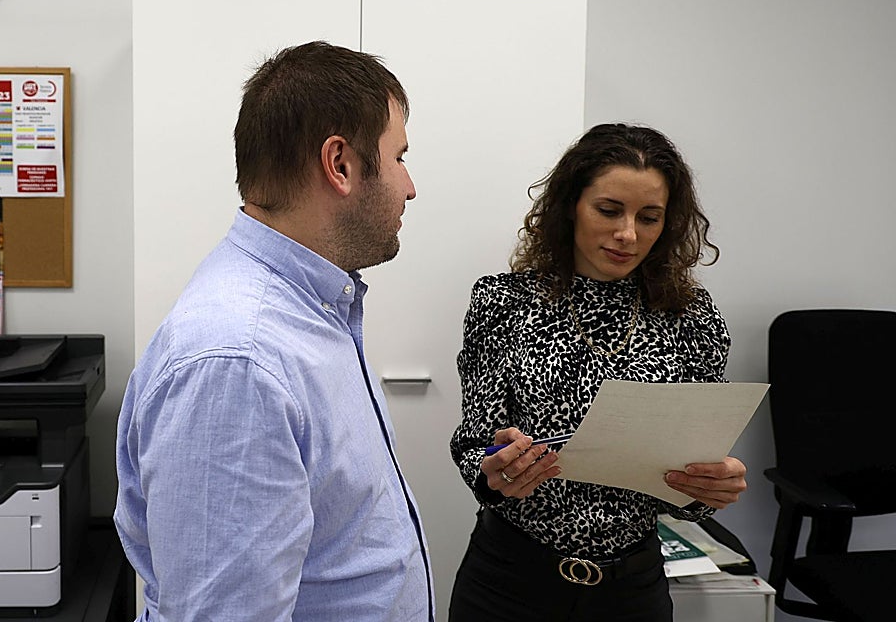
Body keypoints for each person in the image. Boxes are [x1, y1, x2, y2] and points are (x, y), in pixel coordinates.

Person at [115, 41, 434, 622]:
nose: (410, 187)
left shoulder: (311, 310)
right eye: (400, 158)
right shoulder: (237, 360)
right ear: (340, 164)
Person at [447, 123, 746, 622]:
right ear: (570, 205)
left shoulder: (692, 319)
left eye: (649, 218)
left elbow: (689, 472)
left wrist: (708, 490)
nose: (628, 234)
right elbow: (475, 443)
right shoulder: (504, 303)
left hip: (631, 590)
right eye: (609, 210)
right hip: (511, 581)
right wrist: (495, 468)